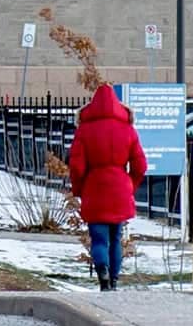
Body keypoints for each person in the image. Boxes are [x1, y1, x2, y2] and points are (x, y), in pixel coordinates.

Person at [68, 83, 147, 291]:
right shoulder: (128, 129)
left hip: (94, 187)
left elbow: (76, 165)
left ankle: (102, 271)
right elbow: (141, 165)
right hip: (120, 187)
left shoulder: (85, 129)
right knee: (116, 237)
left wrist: (79, 189)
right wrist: (130, 184)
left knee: (99, 239)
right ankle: (113, 279)